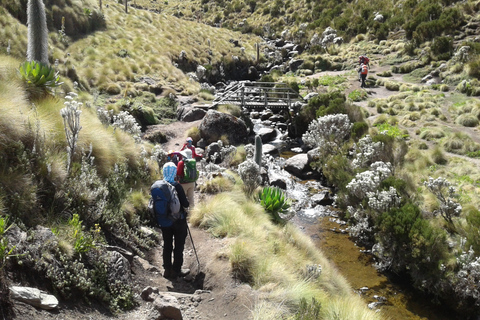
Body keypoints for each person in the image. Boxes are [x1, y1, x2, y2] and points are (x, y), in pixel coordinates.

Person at [160, 162, 190, 279]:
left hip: (164, 222)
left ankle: (167, 270)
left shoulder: (159, 186)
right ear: (174, 172)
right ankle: (176, 270)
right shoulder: (176, 186)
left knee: (167, 245)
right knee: (179, 246)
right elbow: (186, 204)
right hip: (178, 221)